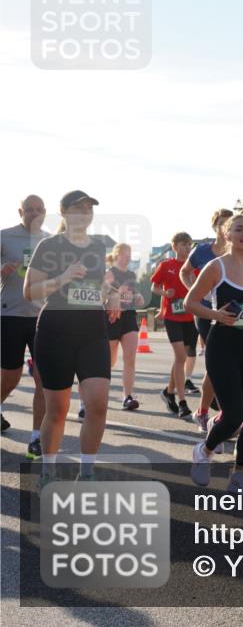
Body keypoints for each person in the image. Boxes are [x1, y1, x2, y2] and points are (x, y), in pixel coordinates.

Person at [24, 191, 119, 486]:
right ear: (64, 212)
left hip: (92, 332)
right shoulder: (49, 245)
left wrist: (112, 295)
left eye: (89, 208)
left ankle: (86, 473)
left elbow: (96, 286)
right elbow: (30, 291)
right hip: (55, 332)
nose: (85, 213)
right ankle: (48, 471)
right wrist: (62, 277)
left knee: (98, 404)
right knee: (58, 409)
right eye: (78, 208)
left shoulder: (97, 247)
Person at [186, 213, 243, 492]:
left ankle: (239, 473)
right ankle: (205, 449)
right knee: (234, 412)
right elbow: (190, 301)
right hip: (222, 345)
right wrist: (215, 314)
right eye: (238, 229)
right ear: (227, 235)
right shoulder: (216, 267)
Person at [1, 195, 49, 457]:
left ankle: (36, 438)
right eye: (28, 209)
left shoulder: (51, 240)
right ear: (20, 211)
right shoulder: (4, 236)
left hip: (42, 317)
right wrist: (1, 268)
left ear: (45, 211)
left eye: (38, 209)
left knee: (43, 378)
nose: (33, 213)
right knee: (10, 376)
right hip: (10, 314)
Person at [182, 209, 233, 413]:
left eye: (230, 221)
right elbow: (184, 271)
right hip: (205, 312)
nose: (226, 225)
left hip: (230, 312)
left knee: (227, 359)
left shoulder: (237, 251)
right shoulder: (202, 251)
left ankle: (214, 404)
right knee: (217, 357)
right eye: (222, 222)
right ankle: (212, 407)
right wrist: (194, 292)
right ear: (215, 227)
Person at [151, 233, 198, 421]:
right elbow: (153, 287)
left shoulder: (194, 267)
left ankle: (168, 392)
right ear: (175, 247)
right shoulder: (166, 265)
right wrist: (164, 292)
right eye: (183, 245)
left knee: (182, 358)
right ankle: (182, 402)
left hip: (190, 315)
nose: (187, 248)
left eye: (189, 245)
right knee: (181, 357)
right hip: (172, 316)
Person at [104, 243, 144, 411]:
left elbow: (136, 295)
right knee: (109, 362)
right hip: (112, 318)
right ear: (116, 255)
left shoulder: (132, 275)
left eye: (130, 254)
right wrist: (117, 293)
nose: (128, 257)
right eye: (125, 254)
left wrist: (138, 296)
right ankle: (100, 395)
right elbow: (103, 296)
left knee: (130, 359)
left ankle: (127, 396)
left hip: (128, 317)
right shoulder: (109, 273)